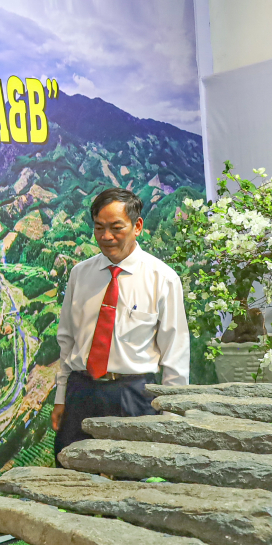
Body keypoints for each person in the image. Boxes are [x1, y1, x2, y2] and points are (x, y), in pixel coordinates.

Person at [51, 188, 190, 456]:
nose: (106, 237)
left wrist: (172, 416)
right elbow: (67, 343)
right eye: (99, 227)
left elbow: (176, 353)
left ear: (137, 226)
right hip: (81, 393)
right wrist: (61, 398)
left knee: (134, 478)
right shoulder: (80, 275)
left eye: (116, 228)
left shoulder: (162, 278)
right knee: (72, 476)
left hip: (134, 395)